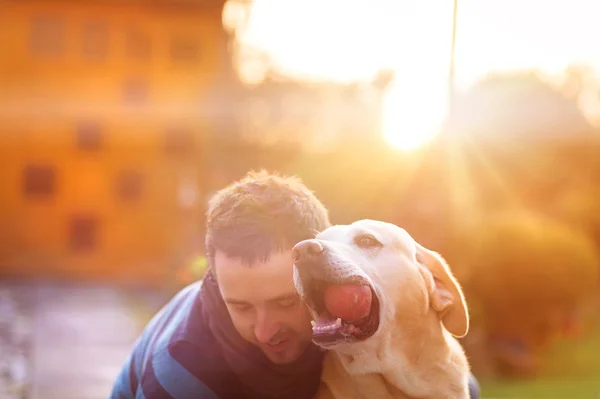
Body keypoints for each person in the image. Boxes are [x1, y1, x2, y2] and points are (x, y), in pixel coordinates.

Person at [110, 170, 481, 399]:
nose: (266, 331)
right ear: (216, 281)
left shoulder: (338, 331)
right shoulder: (180, 375)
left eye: (287, 301)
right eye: (240, 306)